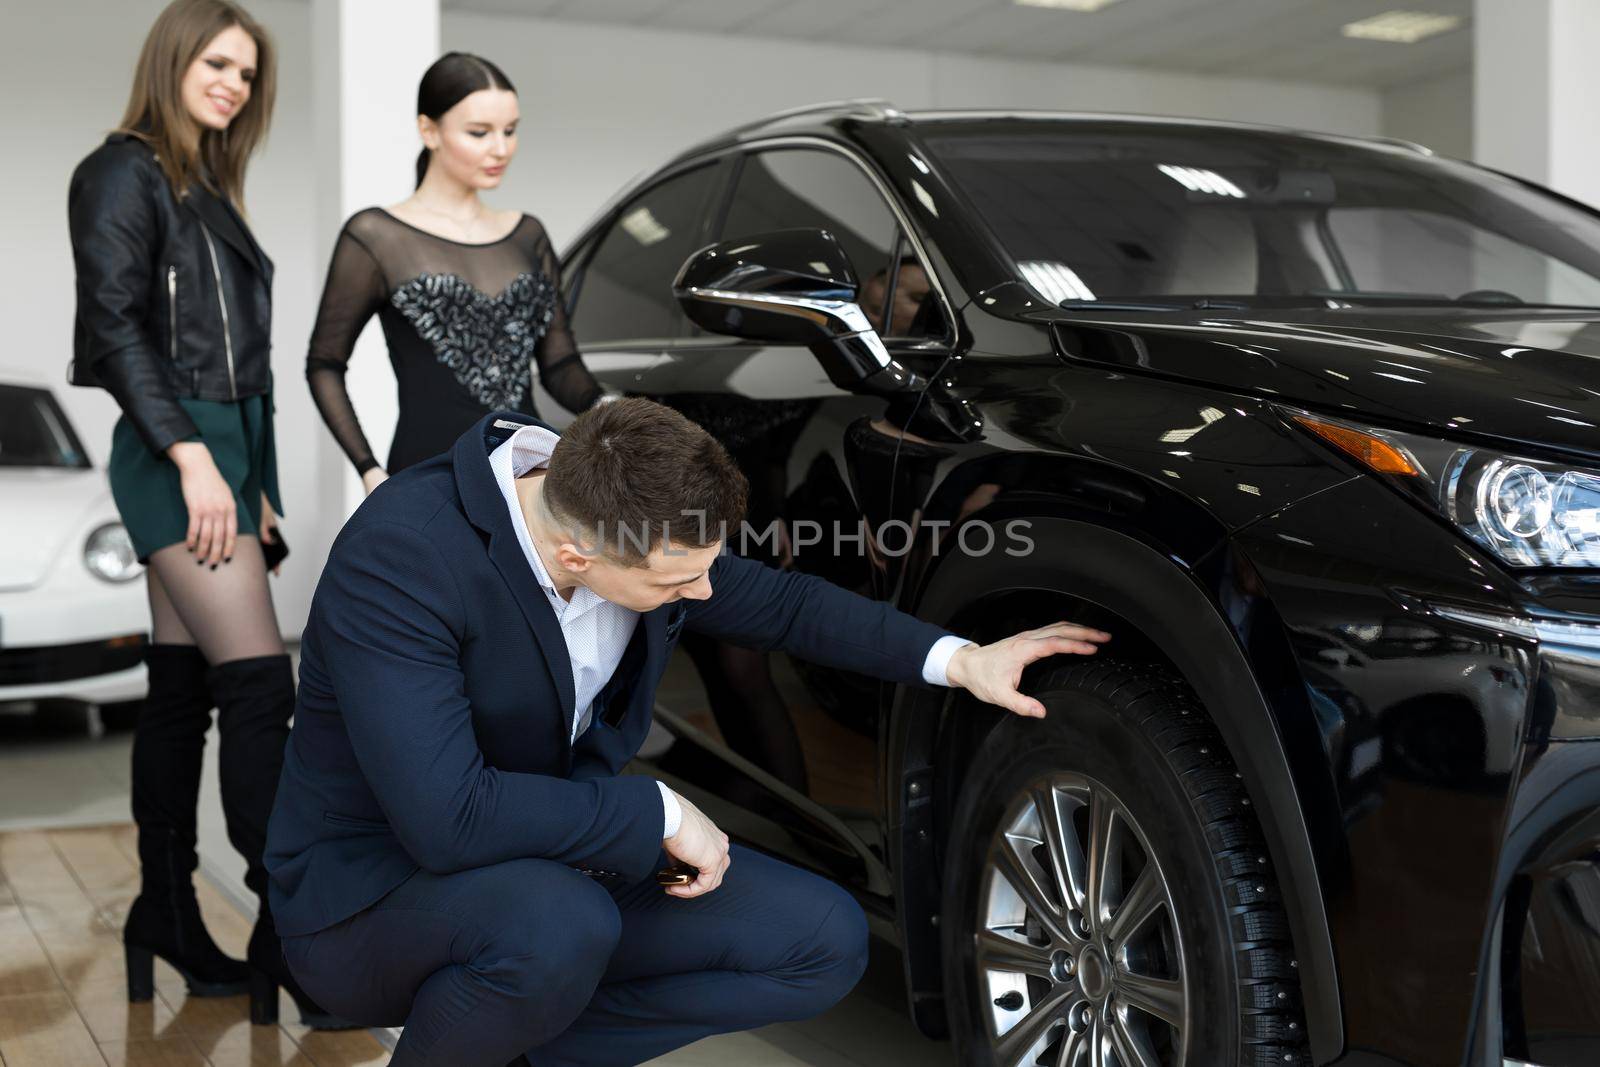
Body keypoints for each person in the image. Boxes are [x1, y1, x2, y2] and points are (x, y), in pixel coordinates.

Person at [263, 398, 1111, 1065]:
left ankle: (511, 1045)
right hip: (373, 894)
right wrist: (657, 815)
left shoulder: (620, 507)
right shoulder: (402, 559)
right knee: (558, 925)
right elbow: (447, 819)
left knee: (821, 940)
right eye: (682, 579)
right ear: (577, 560)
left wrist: (961, 660)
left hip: (547, 861)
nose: (706, 592)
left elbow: (782, 603)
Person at [66, 0, 346, 1028]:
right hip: (173, 452)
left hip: (223, 458)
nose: (231, 82)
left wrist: (254, 475)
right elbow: (113, 328)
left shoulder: (204, 185)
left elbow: (248, 371)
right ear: (175, 59)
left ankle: (167, 912)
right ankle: (291, 924)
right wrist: (193, 459)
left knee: (181, 685)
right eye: (217, 62)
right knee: (263, 684)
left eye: (246, 71)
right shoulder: (121, 170)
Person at [306, 51, 603, 492]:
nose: (500, 148)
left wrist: (608, 407)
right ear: (429, 130)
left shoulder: (528, 235)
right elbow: (324, 364)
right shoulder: (377, 237)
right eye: (479, 133)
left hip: (528, 473)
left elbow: (558, 364)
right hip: (427, 474)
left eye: (510, 131)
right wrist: (369, 469)